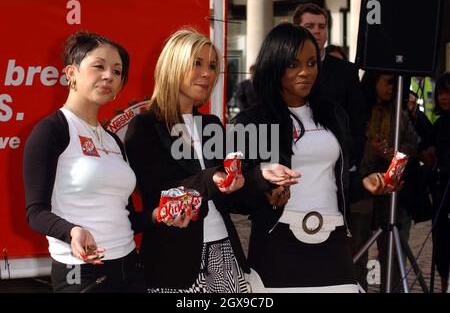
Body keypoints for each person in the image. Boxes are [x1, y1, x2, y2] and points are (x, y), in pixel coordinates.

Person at [124, 28, 297, 293]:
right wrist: (213, 178)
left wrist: (263, 181)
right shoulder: (145, 126)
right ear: (173, 65)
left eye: (213, 66)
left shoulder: (211, 125)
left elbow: (231, 194)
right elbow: (159, 192)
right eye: (197, 63)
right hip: (173, 262)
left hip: (226, 253)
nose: (208, 73)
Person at [233, 23, 395, 293]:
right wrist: (263, 188)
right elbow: (234, 192)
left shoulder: (333, 114)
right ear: (274, 65)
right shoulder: (252, 121)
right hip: (279, 242)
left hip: (333, 241)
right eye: (294, 64)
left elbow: (336, 180)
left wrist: (365, 183)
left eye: (311, 63)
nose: (306, 72)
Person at [23, 31, 145, 292]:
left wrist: (161, 214)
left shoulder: (112, 140)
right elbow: (35, 213)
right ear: (71, 73)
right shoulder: (51, 130)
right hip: (81, 271)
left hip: (129, 265)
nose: (108, 76)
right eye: (99, 66)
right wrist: (72, 231)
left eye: (117, 71)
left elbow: (127, 217)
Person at [359, 71, 419, 292]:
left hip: (391, 194)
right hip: (361, 192)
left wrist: (393, 158)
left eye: (396, 84)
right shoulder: (359, 110)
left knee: (393, 254)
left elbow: (411, 145)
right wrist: (371, 150)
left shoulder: (398, 113)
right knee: (357, 250)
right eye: (388, 82)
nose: (392, 88)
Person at [293, 3, 368, 167]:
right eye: (309, 26)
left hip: (337, 160)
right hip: (293, 158)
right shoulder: (284, 67)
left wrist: (351, 157)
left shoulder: (346, 70)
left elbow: (357, 116)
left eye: (322, 26)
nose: (317, 31)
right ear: (296, 29)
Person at [419, 72, 450, 292]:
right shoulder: (439, 124)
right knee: (441, 246)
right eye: (441, 92)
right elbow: (423, 147)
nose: (444, 97)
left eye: (448, 92)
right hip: (441, 192)